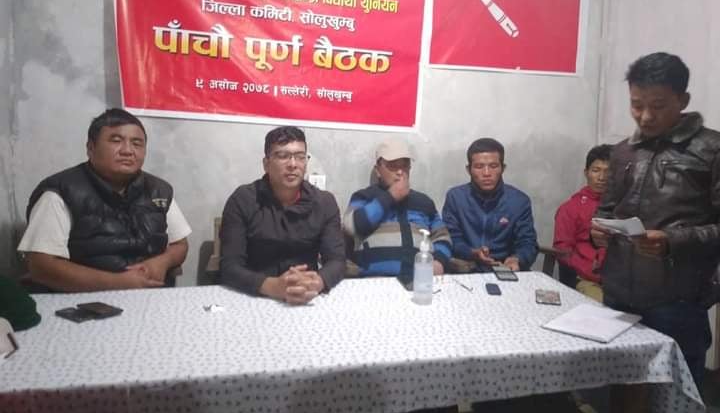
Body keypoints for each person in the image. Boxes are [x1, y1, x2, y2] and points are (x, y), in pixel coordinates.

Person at [591, 52, 720, 387]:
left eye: (658, 106)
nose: (645, 116)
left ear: (683, 100)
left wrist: (672, 241)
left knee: (675, 394)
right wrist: (599, 230)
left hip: (678, 300)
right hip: (618, 294)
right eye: (636, 105)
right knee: (619, 390)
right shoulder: (623, 151)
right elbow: (608, 209)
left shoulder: (711, 150)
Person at [18, 108, 191, 292]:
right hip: (83, 299)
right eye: (116, 141)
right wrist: (119, 283)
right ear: (91, 147)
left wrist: (162, 262)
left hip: (150, 295)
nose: (127, 151)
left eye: (137, 143)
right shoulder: (60, 192)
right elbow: (41, 265)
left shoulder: (158, 190)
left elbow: (180, 244)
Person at [219, 126, 345, 304]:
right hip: (255, 295)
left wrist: (317, 282)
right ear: (266, 164)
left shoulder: (324, 202)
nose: (293, 164)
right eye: (283, 156)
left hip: (307, 295)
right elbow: (229, 266)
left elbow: (337, 261)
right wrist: (272, 286)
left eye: (300, 156)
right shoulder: (243, 200)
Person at [343, 138, 451, 277]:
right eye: (393, 166)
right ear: (378, 170)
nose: (400, 172)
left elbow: (442, 236)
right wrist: (390, 197)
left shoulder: (424, 201)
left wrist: (439, 261)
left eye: (405, 166)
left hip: (420, 279)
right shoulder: (364, 196)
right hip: (375, 279)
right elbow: (350, 226)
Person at [443, 138, 538, 272]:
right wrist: (472, 253)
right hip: (464, 269)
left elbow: (528, 242)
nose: (487, 173)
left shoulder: (519, 201)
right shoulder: (456, 197)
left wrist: (517, 259)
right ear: (469, 169)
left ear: (503, 168)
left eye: (493, 166)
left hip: (505, 270)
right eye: (479, 167)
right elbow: (451, 238)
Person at [553, 144, 612, 302]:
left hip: (623, 281)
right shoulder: (570, 208)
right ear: (586, 173)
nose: (602, 177)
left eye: (608, 171)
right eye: (596, 170)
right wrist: (589, 271)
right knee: (603, 308)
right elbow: (563, 251)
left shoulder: (625, 206)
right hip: (587, 279)